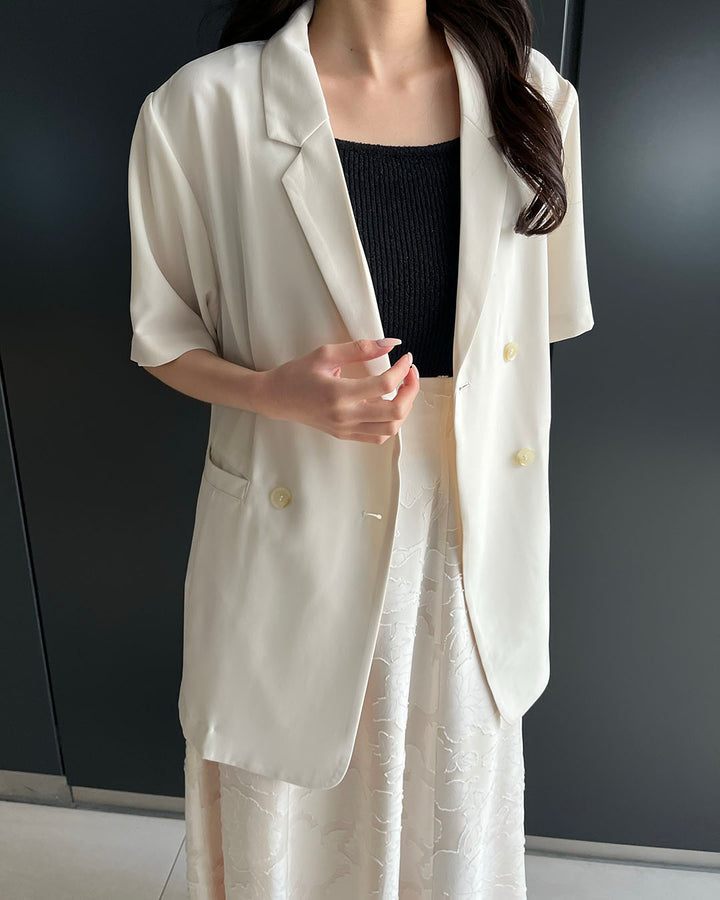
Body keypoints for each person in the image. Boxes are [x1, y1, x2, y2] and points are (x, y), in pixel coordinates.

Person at [128, 0, 594, 896]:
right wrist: (273, 392)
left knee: (444, 810)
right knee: (291, 792)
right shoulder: (201, 108)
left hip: (464, 534)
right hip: (294, 501)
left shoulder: (533, 96)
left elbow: (539, 323)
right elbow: (162, 337)